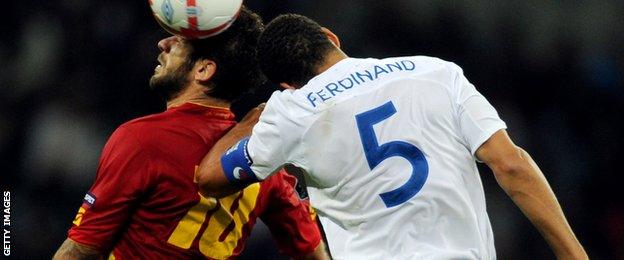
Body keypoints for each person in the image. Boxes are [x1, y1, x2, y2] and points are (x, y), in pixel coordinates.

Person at [195, 14, 588, 259]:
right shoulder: (436, 72)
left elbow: (210, 178)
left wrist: (254, 118)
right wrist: (572, 252)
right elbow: (511, 164)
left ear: (286, 83)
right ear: (331, 38)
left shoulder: (292, 111)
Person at [53, 8, 328, 260]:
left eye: (179, 43)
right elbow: (313, 253)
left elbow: (81, 249)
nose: (163, 44)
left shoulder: (142, 140)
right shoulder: (263, 156)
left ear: (204, 70)